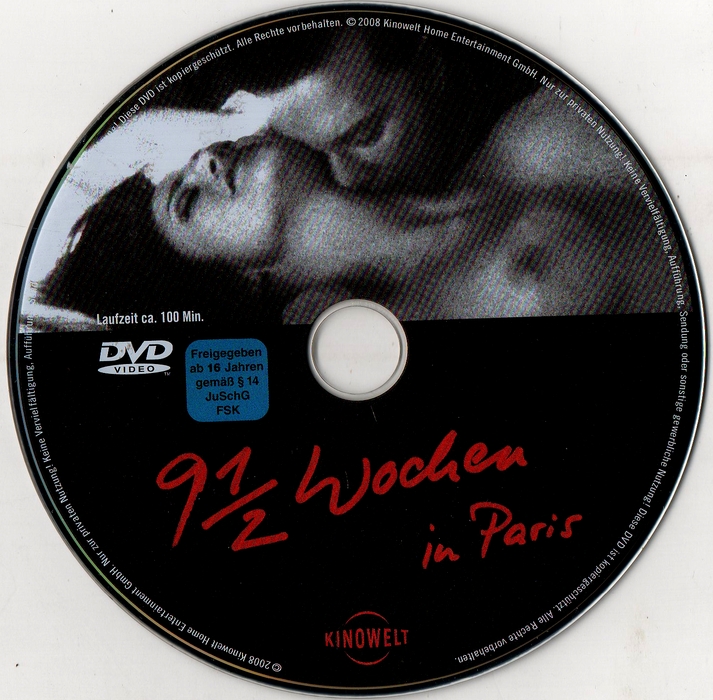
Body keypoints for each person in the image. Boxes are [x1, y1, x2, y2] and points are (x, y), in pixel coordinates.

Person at [33, 31, 675, 330]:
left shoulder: (526, 137)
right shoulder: (389, 336)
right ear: (237, 279)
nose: (204, 162)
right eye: (186, 200)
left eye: (203, 153)